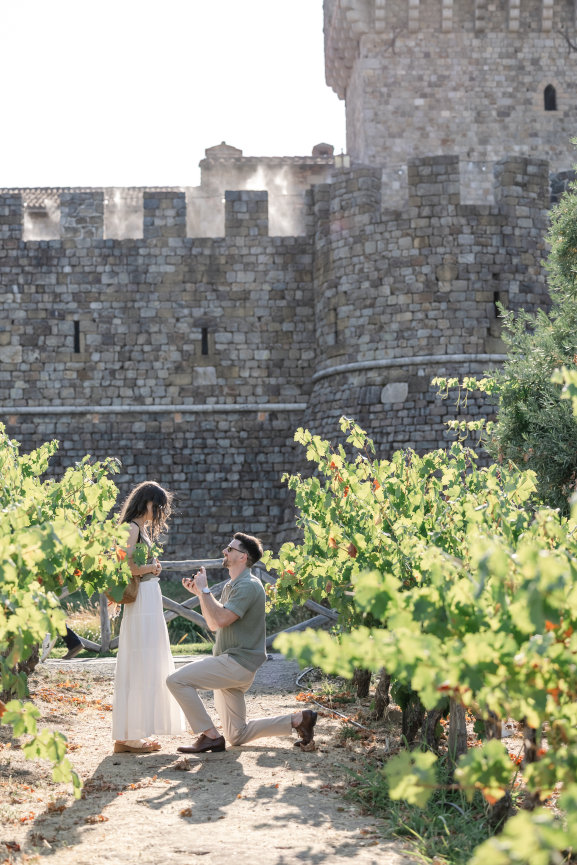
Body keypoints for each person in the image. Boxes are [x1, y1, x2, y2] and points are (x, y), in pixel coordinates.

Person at [166, 532, 317, 754]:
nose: (224, 551)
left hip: (236, 663)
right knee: (237, 735)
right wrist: (200, 594)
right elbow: (214, 624)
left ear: (243, 557)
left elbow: (221, 619)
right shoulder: (232, 585)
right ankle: (298, 720)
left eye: (230, 549)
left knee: (176, 680)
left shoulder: (248, 585)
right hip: (231, 665)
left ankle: (209, 735)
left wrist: (206, 590)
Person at [112, 481, 186, 754]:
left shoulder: (140, 529)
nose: (160, 512)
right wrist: (150, 568)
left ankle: (134, 732)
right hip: (142, 599)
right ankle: (128, 737)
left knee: (148, 660)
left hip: (149, 597)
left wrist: (152, 568)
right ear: (147, 503)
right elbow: (126, 566)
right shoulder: (131, 528)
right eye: (158, 506)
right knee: (139, 660)